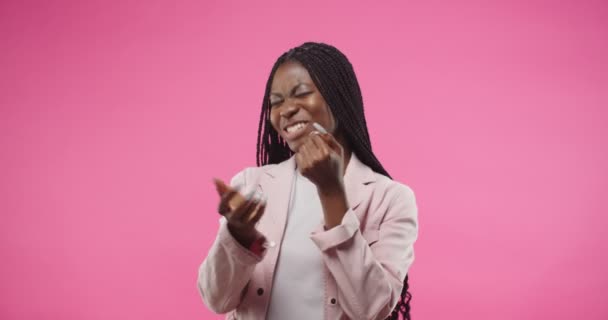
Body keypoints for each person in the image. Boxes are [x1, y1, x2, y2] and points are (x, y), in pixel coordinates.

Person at [197, 42, 419, 320]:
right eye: (275, 102)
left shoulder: (391, 199)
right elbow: (217, 299)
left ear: (338, 97)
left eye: (301, 93)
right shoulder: (251, 184)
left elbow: (372, 310)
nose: (285, 110)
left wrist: (331, 193)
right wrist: (239, 238)